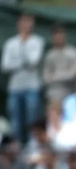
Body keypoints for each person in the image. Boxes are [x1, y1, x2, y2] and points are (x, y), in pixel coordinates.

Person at [2, 13, 44, 143]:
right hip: (14, 88)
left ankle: (32, 145)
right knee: (15, 121)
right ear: (18, 24)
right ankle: (16, 147)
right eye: (23, 21)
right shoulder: (10, 43)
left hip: (32, 87)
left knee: (32, 120)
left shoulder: (37, 41)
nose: (26, 25)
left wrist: (23, 46)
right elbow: (5, 66)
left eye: (29, 22)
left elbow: (33, 61)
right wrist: (22, 64)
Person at [43, 24, 76, 103]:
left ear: (65, 35)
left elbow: (74, 74)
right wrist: (65, 73)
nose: (58, 37)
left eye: (61, 34)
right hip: (53, 93)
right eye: (56, 34)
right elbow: (46, 77)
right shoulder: (49, 55)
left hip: (70, 91)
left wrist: (55, 75)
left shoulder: (74, 52)